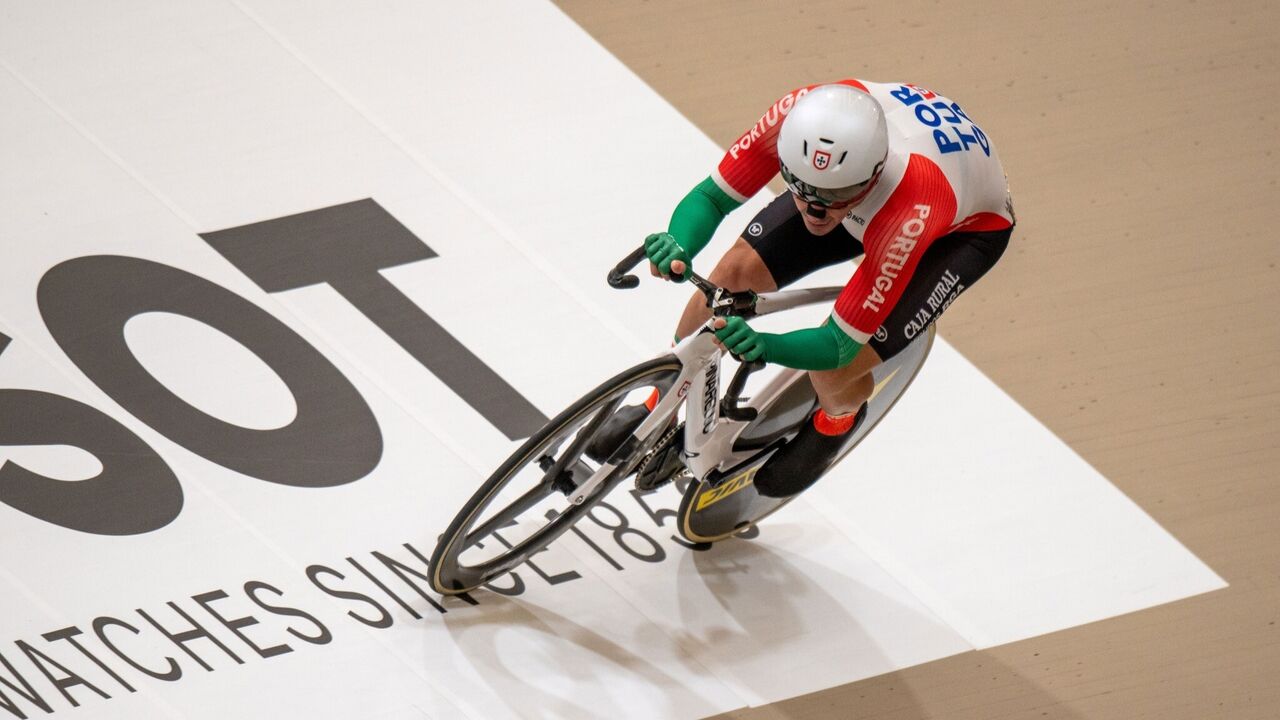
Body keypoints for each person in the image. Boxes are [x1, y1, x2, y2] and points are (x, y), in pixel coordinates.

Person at [594, 79, 1015, 498]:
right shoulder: (795, 118)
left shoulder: (913, 203)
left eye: (835, 195)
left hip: (956, 230)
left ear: (874, 172)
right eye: (800, 187)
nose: (816, 212)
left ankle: (837, 422)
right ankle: (661, 402)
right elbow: (713, 196)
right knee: (732, 275)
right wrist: (679, 241)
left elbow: (837, 344)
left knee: (833, 371)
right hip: (871, 191)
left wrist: (767, 345)